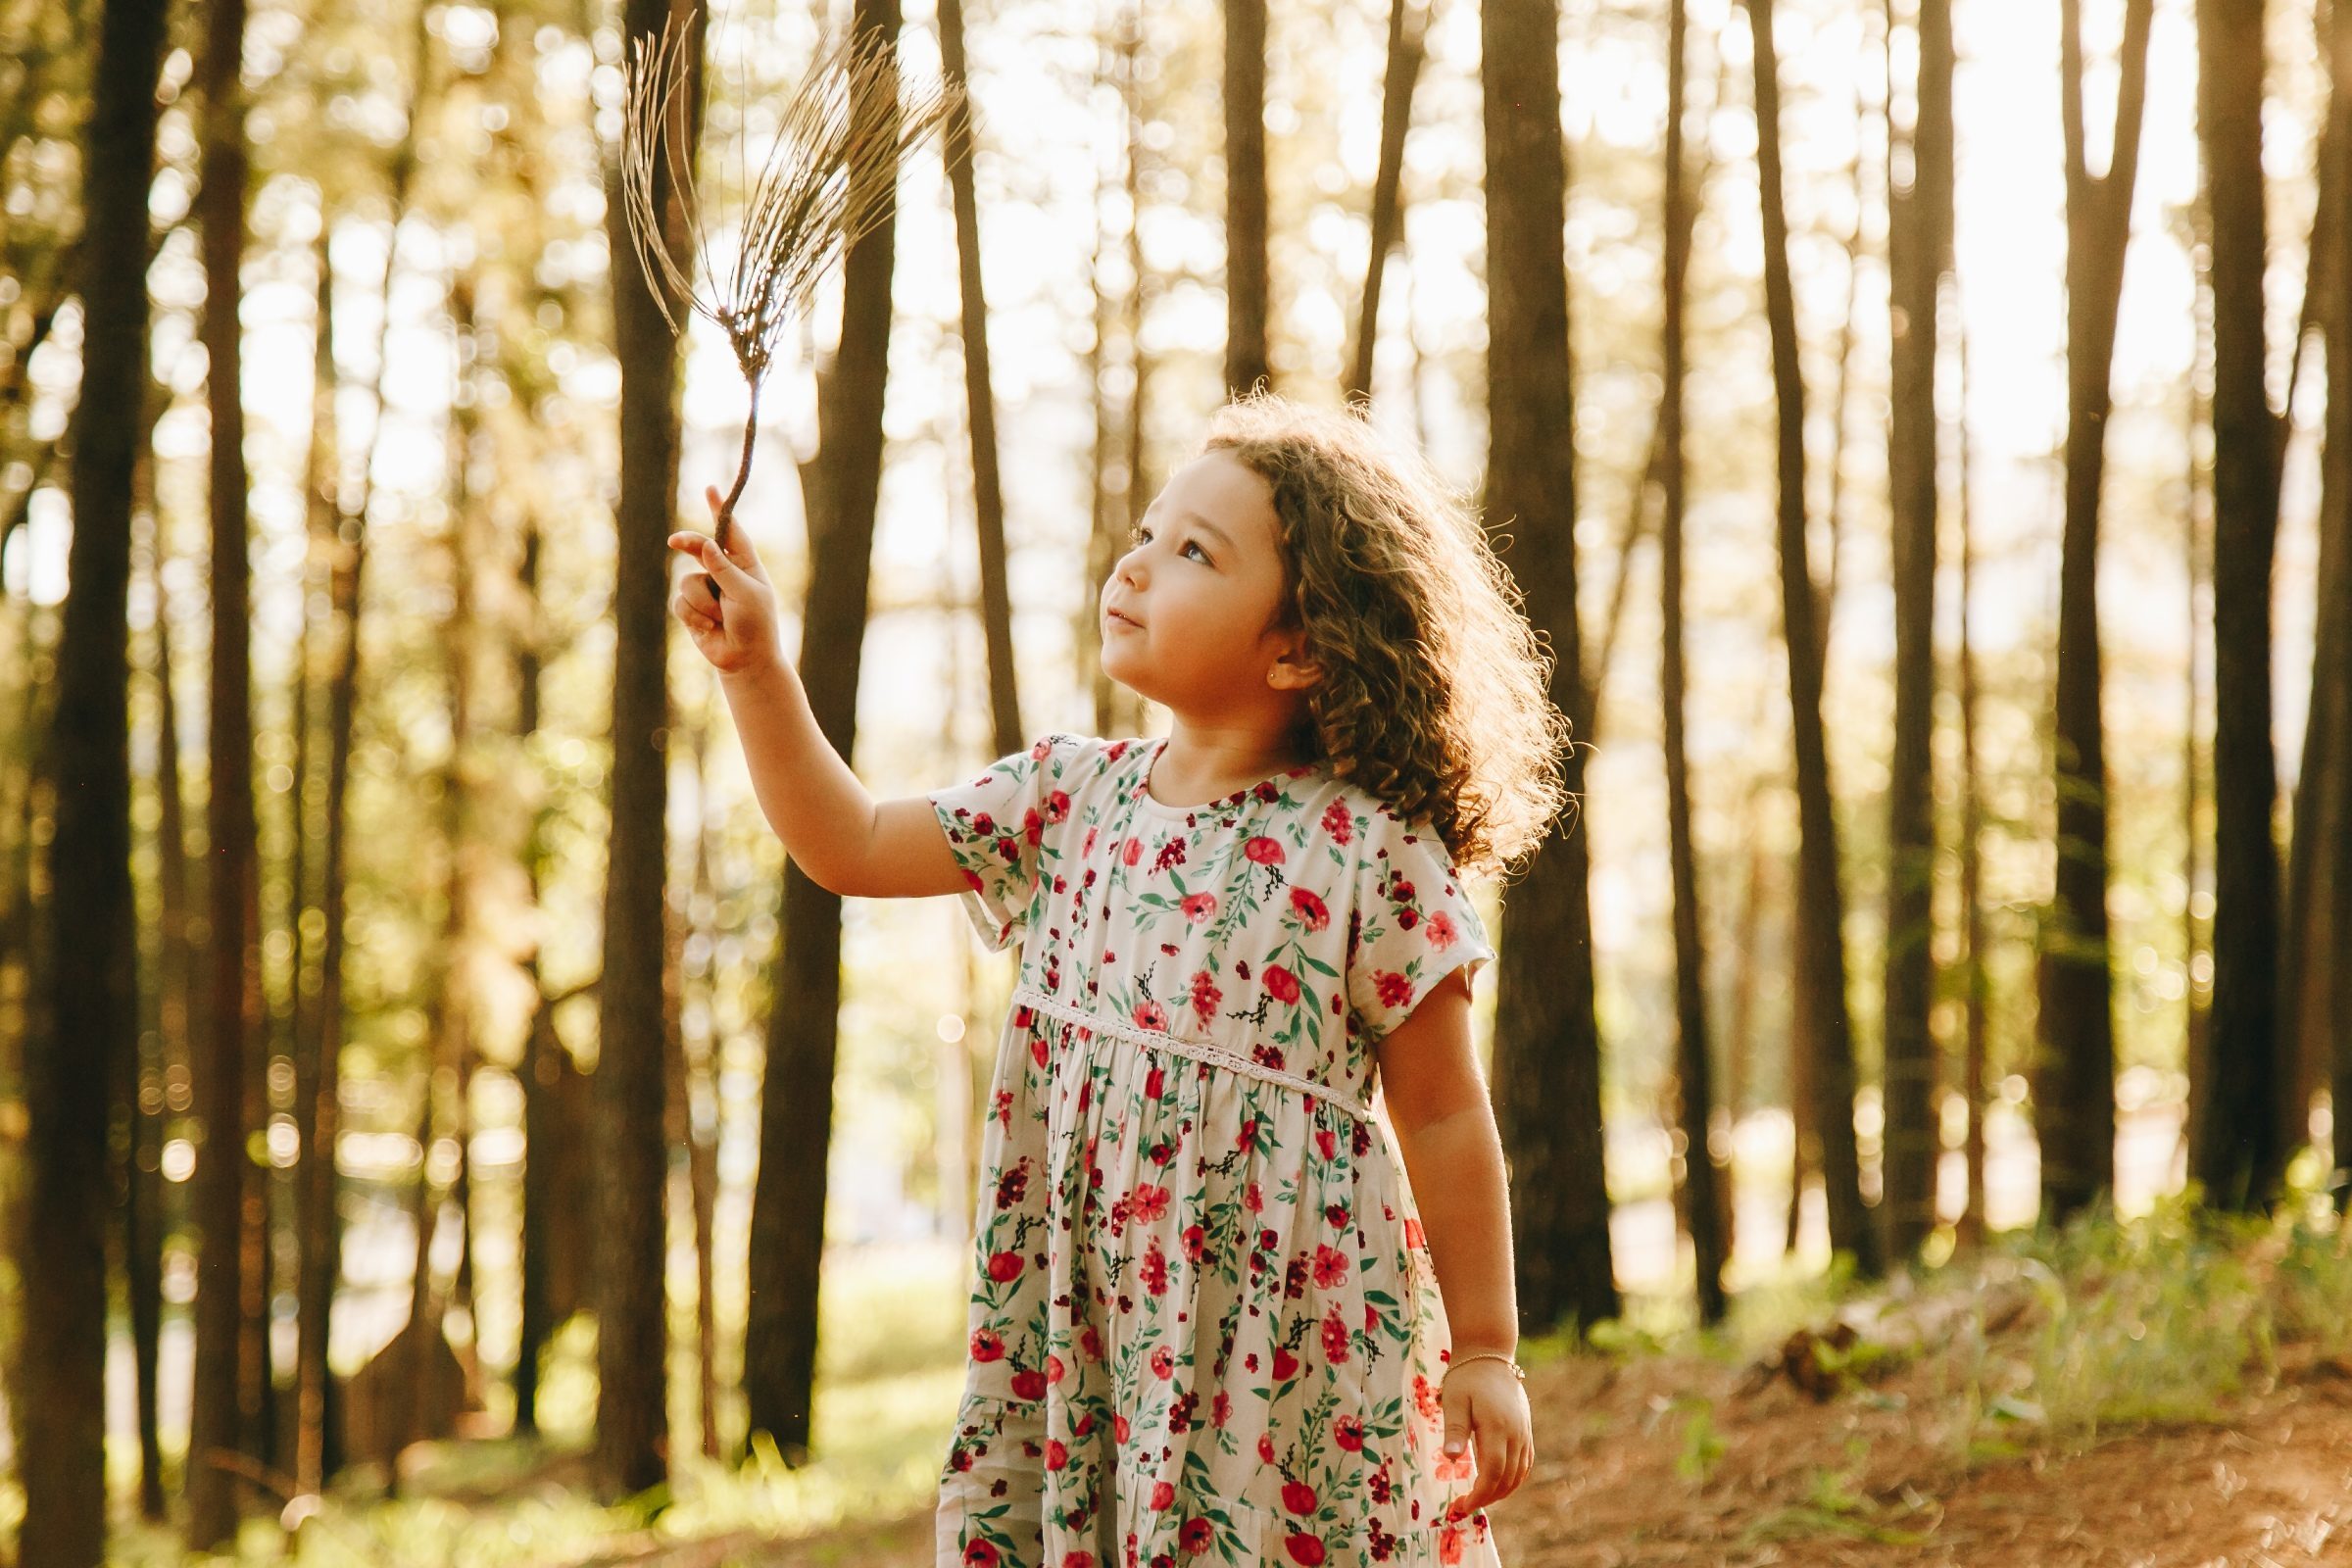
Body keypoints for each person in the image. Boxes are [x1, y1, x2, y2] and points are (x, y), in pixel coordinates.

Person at [669, 389, 1566, 1568]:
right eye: (1147, 532)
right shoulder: (1066, 797)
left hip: (1286, 1357)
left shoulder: (1367, 848)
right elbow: (850, 842)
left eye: (1194, 551)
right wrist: (757, 674)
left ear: (1298, 644)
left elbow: (1446, 1111)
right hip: (1087, 1329)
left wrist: (1488, 1348)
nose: (1137, 565)